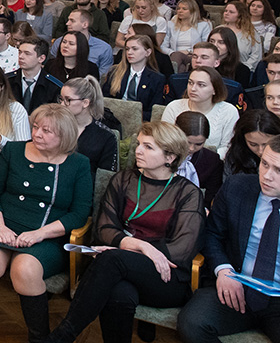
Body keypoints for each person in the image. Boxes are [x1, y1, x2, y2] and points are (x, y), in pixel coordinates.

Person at [43, 122, 204, 343]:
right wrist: (140, 246)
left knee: (111, 261)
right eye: (139, 144)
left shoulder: (187, 193)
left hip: (165, 276)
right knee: (119, 293)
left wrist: (125, 251)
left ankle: (63, 336)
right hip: (119, 267)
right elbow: (103, 229)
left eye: (148, 147)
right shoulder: (124, 179)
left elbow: (181, 250)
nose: (138, 150)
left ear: (170, 157)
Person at [0, 104, 93, 343]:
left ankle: (39, 337)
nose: (37, 134)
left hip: (46, 235)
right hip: (2, 224)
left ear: (64, 135)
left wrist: (40, 234)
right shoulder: (13, 150)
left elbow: (79, 213)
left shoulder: (78, 164)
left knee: (24, 270)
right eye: (36, 127)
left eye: (47, 131)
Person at [177, 137, 280, 343]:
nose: (267, 176)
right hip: (237, 283)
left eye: (278, 170)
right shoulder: (237, 187)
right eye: (265, 164)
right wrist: (224, 269)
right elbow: (212, 234)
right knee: (192, 323)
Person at [161, 66, 240, 156]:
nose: (193, 88)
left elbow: (228, 147)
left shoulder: (229, 111)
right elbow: (164, 141)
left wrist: (204, 159)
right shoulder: (173, 107)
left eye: (201, 85)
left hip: (213, 163)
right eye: (190, 83)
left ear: (215, 89)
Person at [59, 76, 119, 175]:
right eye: (61, 99)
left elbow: (105, 177)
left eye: (68, 100)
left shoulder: (106, 136)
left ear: (85, 103)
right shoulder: (56, 126)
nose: (62, 105)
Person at [102, 34, 168, 120]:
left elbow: (154, 111)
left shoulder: (157, 79)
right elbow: (104, 100)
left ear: (148, 52)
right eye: (127, 49)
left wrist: (132, 115)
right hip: (113, 118)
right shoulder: (114, 72)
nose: (129, 52)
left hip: (141, 121)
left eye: (135, 49)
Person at [11, 37, 62, 113]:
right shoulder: (7, 81)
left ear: (41, 58)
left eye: (27, 53)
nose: (21, 56)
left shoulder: (54, 87)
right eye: (20, 52)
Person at [223, 109, 280, 178]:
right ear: (243, 139)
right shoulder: (235, 156)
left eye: (266, 144)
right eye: (253, 144)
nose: (260, 151)